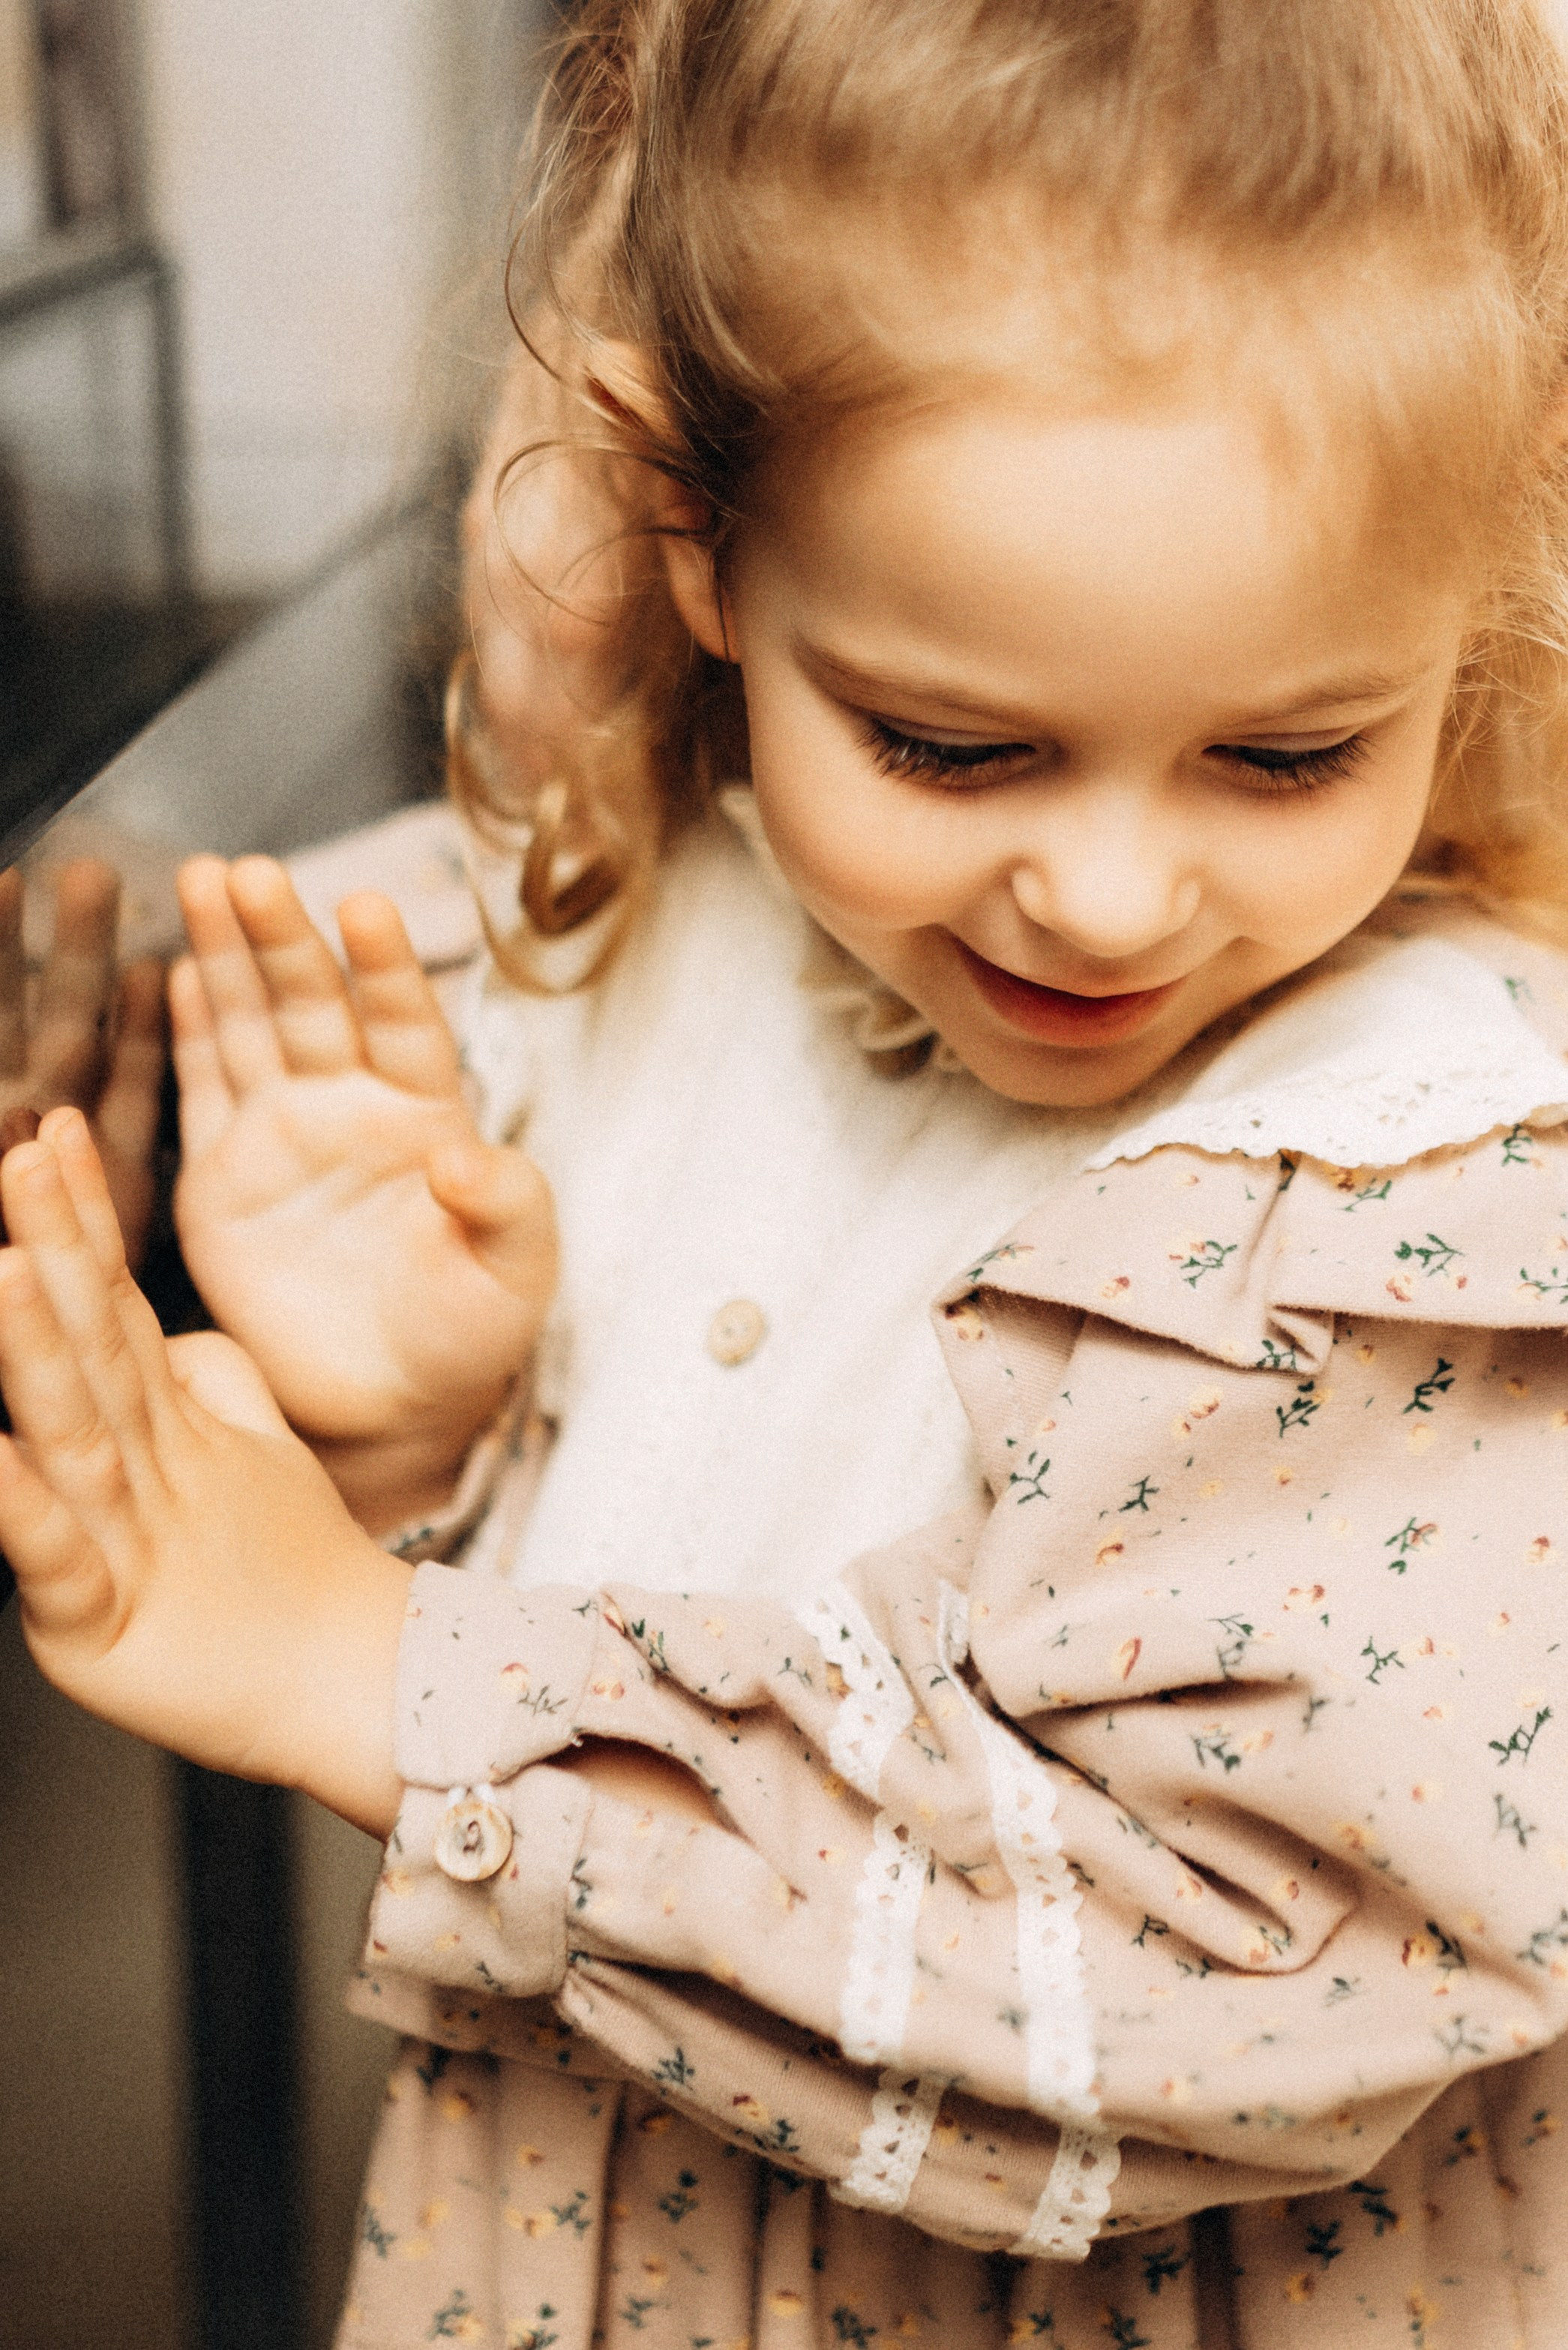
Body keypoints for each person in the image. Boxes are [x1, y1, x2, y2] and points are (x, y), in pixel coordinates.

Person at [9, 1, 1568, 2342]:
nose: (1108, 900)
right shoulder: (666, 937)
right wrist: (429, 1446)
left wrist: (370, 1670)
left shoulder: (1407, 1198)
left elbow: (1230, 1980)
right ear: (698, 538)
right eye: (947, 742)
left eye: (1283, 754)